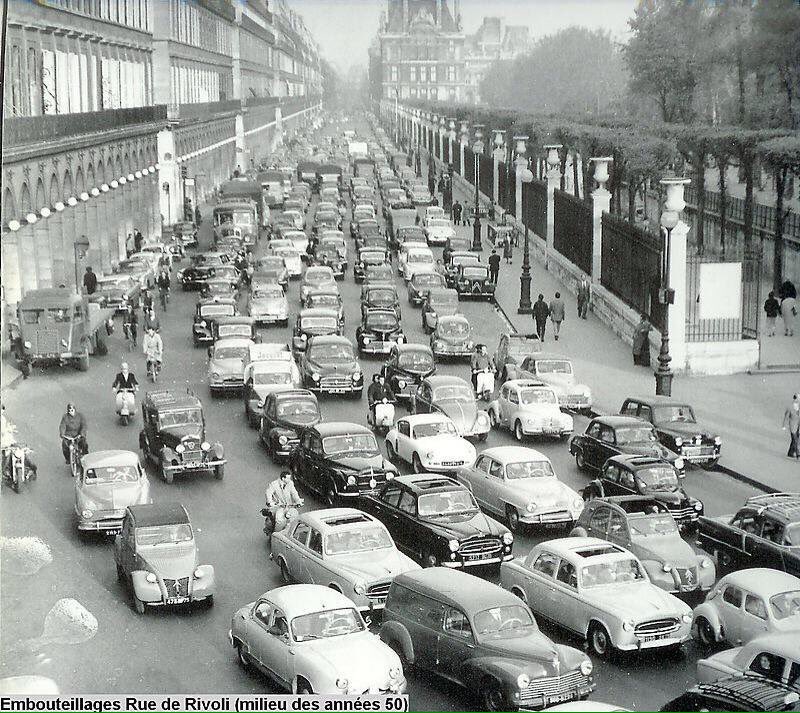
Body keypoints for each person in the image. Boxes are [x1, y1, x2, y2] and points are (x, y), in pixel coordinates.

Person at [2, 405, 38, 477]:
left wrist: (10, 429)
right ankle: (4, 471)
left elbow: (5, 430)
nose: (1, 411)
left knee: (20, 451)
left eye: (2, 410)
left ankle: (31, 466)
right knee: (6, 456)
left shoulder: (3, 419)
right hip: (3, 444)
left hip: (8, 441)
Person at [264, 471, 303, 536]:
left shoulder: (290, 483)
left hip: (289, 506)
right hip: (279, 506)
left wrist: (298, 501)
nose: (289, 480)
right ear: (283, 478)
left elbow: (294, 493)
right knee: (279, 520)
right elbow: (268, 493)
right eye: (288, 478)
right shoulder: (274, 484)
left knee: (294, 518)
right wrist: (270, 502)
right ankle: (275, 536)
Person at [783, 394, 800, 460]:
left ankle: (790, 453)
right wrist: (784, 425)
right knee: (796, 440)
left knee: (794, 440)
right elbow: (786, 416)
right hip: (792, 426)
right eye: (798, 398)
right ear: (795, 399)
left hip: (798, 426)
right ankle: (798, 455)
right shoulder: (790, 407)